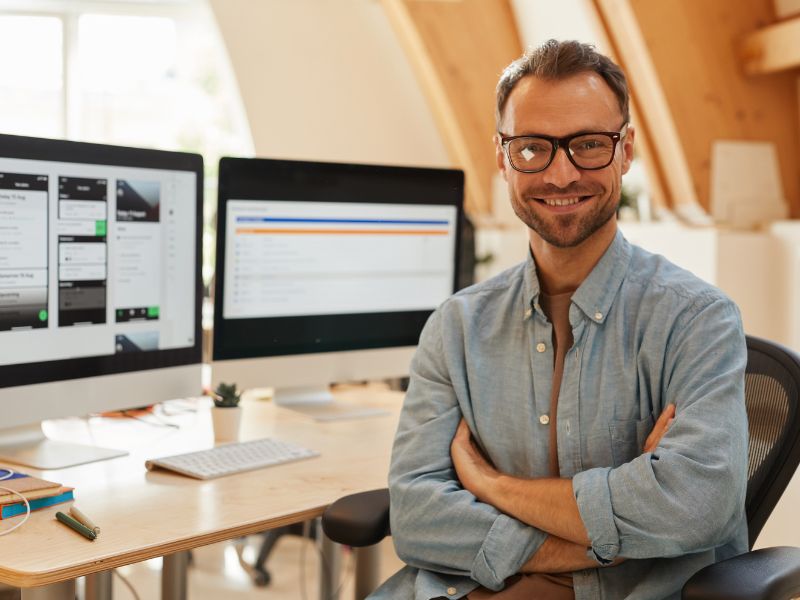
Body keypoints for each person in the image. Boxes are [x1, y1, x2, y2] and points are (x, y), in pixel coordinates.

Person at [369, 39, 748, 600]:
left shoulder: (698, 321)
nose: (561, 174)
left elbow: (696, 504)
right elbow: (418, 516)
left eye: (589, 145)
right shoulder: (456, 328)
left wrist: (489, 485)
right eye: (532, 148)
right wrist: (612, 524)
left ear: (626, 150)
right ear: (502, 157)